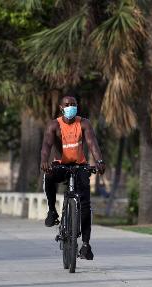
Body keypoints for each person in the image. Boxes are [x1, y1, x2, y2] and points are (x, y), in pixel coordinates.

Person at [40, 95, 106, 260]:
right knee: (48, 177)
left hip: (80, 166)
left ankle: (85, 244)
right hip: (60, 165)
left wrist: (99, 161)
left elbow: (92, 143)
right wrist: (44, 161)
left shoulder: (83, 123)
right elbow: (46, 145)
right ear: (61, 108)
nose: (70, 107)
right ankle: (52, 211)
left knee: (85, 205)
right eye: (67, 105)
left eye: (73, 104)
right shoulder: (54, 125)